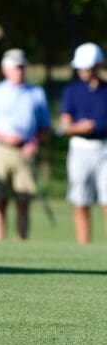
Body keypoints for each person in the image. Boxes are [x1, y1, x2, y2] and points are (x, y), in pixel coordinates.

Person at [0, 48, 51, 241]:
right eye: (16, 67)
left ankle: (21, 244)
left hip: (25, 151)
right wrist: (3, 137)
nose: (20, 71)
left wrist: (33, 143)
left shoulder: (36, 93)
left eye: (22, 67)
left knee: (24, 201)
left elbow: (44, 126)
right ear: (5, 70)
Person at [59, 42, 107, 244]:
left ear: (98, 65)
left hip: (104, 149)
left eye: (86, 67)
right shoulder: (72, 91)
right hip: (80, 149)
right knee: (81, 202)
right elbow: (64, 126)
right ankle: (84, 247)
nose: (83, 71)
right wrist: (81, 127)